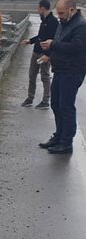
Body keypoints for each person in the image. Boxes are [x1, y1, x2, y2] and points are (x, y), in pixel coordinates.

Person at [37, 0, 86, 154]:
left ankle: (66, 142)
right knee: (56, 104)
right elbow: (59, 42)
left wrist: (53, 45)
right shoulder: (64, 23)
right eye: (58, 13)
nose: (59, 16)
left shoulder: (81, 26)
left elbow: (77, 47)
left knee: (66, 107)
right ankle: (59, 136)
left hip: (72, 71)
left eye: (61, 13)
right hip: (60, 69)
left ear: (71, 10)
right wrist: (49, 53)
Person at [21, 0, 59, 109]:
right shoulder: (43, 20)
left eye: (38, 8)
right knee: (32, 75)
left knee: (45, 76)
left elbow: (54, 40)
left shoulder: (53, 21)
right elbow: (40, 36)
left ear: (42, 8)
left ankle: (45, 100)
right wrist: (30, 41)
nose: (37, 10)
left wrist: (48, 54)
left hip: (44, 54)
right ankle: (30, 98)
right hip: (36, 52)